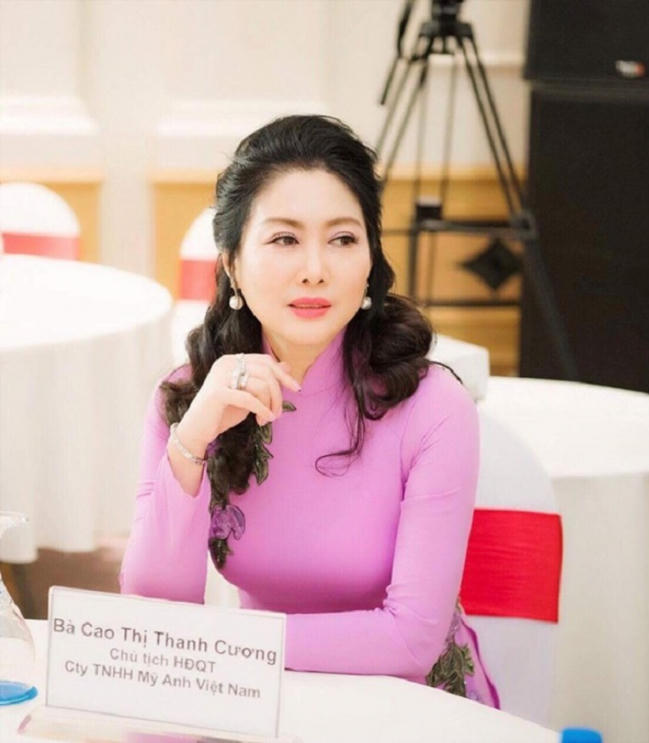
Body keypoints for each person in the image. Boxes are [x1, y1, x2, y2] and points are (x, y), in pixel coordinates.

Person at [119, 114, 499, 707]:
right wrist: (192, 438)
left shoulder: (432, 407)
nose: (315, 270)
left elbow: (410, 640)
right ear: (232, 263)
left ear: (370, 259)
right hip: (256, 699)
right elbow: (154, 616)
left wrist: (230, 644)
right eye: (284, 239)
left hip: (409, 708)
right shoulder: (190, 396)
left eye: (342, 239)